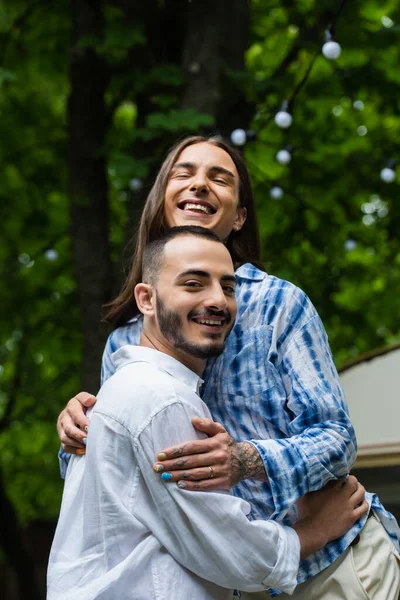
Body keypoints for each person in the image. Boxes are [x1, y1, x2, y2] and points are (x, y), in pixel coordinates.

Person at [57, 137, 400, 599]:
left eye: (220, 178)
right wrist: (76, 432)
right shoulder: (126, 339)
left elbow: (338, 439)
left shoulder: (280, 305)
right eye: (185, 173)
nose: (200, 184)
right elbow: (121, 473)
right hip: (236, 578)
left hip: (331, 562)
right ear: (160, 203)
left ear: (238, 216)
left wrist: (245, 460)